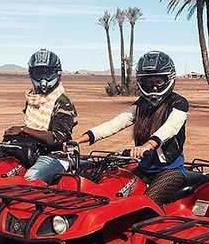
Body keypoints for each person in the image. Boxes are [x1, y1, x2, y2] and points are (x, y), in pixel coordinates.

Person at [76, 50, 188, 205]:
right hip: (144, 169)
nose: (154, 87)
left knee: (144, 203)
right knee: (111, 190)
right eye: (149, 82)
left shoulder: (179, 104)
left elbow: (170, 128)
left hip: (170, 170)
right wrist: (78, 140)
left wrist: (147, 145)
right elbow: (114, 124)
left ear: (169, 79)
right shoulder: (140, 105)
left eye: (158, 81)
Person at [4, 49, 78, 182]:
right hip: (31, 150)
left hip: (56, 155)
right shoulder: (33, 98)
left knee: (31, 177)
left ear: (57, 75)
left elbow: (57, 138)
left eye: (48, 73)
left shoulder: (63, 102)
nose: (43, 79)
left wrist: (23, 130)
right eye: (38, 73)